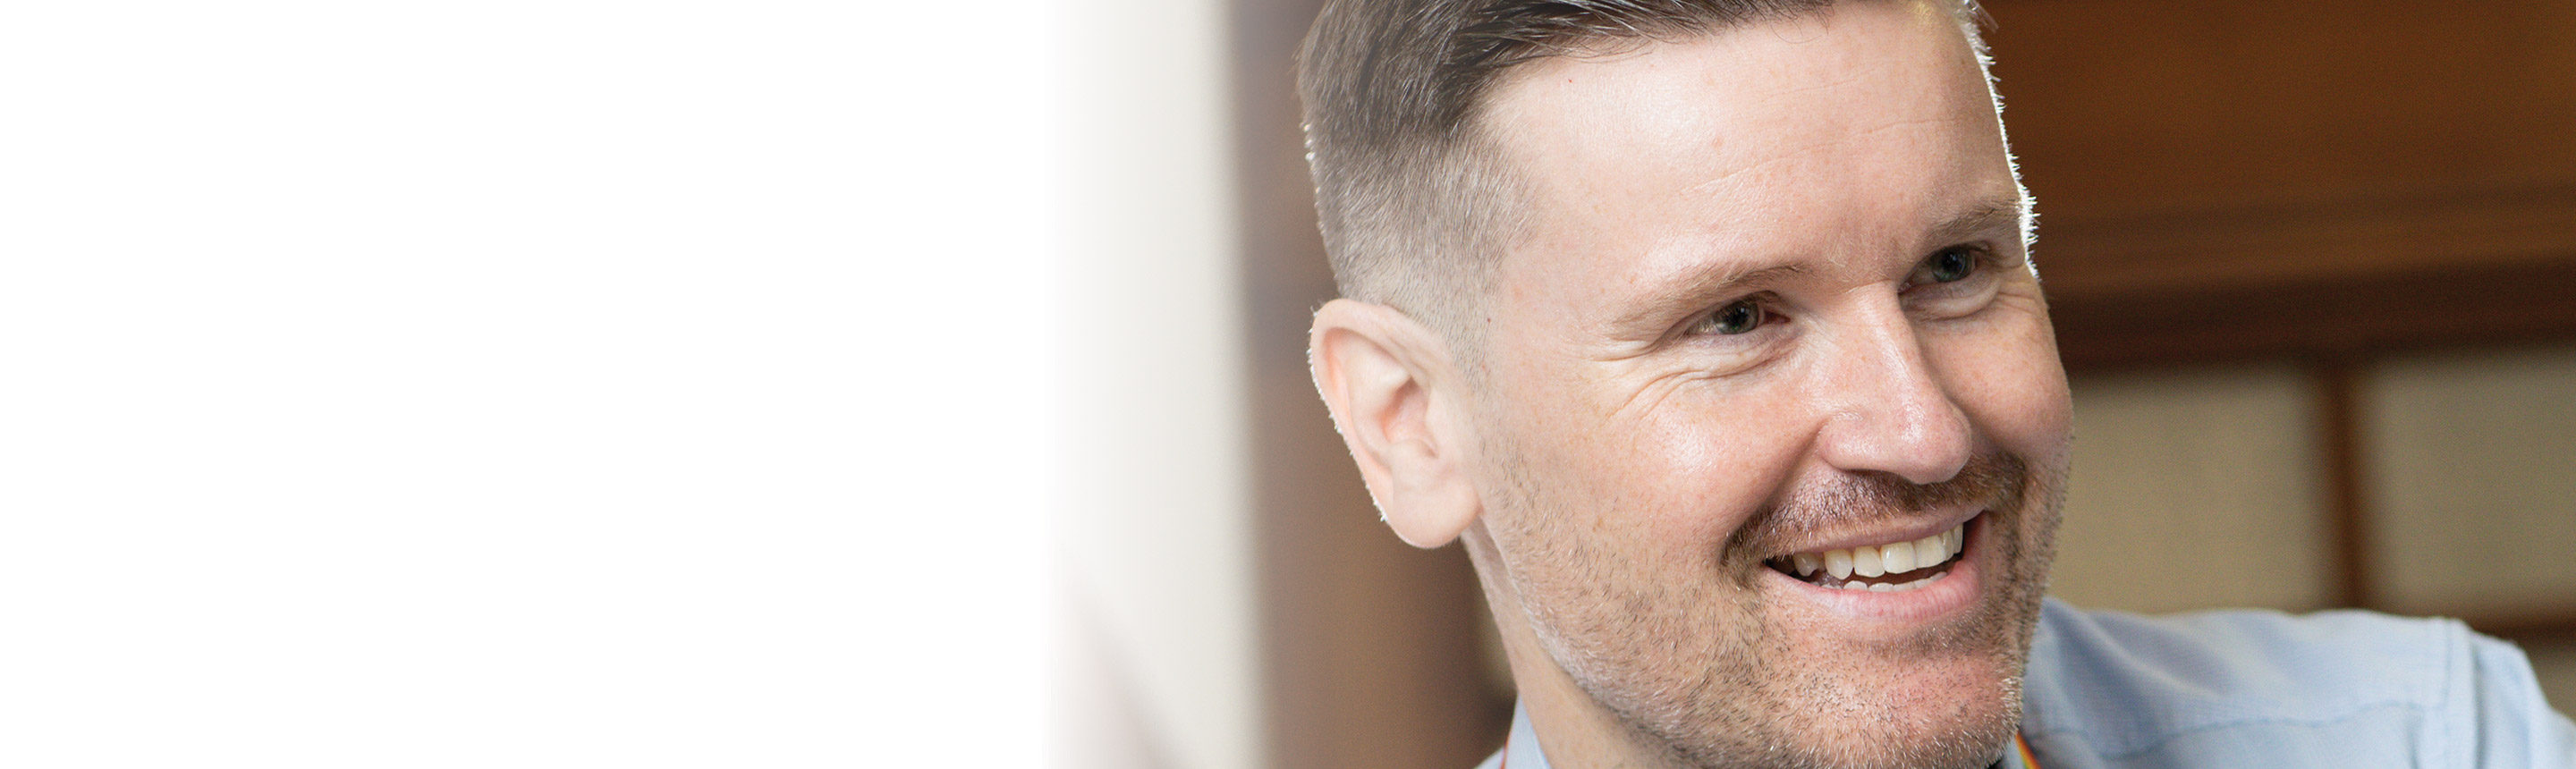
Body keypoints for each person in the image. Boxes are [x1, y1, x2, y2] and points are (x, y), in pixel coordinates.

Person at [1292, 1, 2576, 767]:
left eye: (1954, 265)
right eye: (1737, 318)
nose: (1920, 426)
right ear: (1413, 428)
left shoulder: (2429, 740)